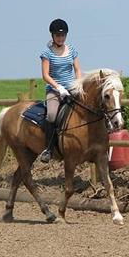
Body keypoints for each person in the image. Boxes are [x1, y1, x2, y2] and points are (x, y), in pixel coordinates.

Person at [39, 18, 81, 164]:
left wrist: (78, 84)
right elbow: (45, 75)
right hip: (55, 90)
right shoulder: (47, 53)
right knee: (51, 115)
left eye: (63, 35)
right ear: (52, 36)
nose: (60, 38)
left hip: (71, 89)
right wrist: (59, 88)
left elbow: (77, 69)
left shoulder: (72, 50)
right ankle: (49, 149)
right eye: (58, 35)